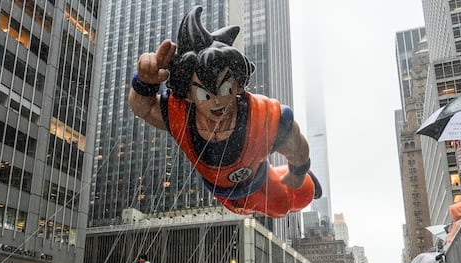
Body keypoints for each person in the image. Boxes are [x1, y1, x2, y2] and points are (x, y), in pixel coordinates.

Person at [128, 6, 321, 219]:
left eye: (225, 89)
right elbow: (143, 108)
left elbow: (294, 139)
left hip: (259, 181)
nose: (217, 102)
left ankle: (299, 183)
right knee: (273, 205)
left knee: (293, 199)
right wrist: (144, 82)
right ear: (190, 95)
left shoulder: (260, 116)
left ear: (238, 86)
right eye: (204, 95)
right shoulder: (180, 114)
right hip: (223, 192)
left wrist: (299, 170)